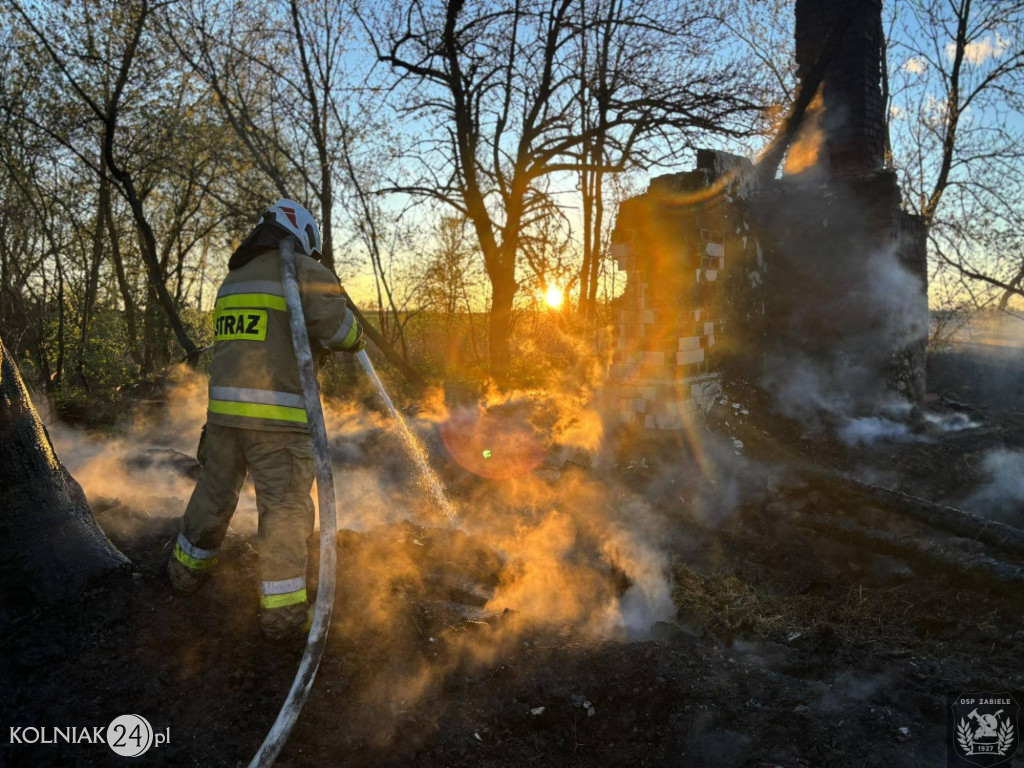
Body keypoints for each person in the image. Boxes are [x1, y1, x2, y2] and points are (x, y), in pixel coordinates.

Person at [168, 199, 364, 639]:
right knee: (284, 512)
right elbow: (340, 331)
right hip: (277, 423)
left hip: (223, 419)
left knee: (213, 495)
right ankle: (282, 614)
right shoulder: (302, 270)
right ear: (302, 233)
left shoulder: (234, 278)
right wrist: (353, 330)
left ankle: (184, 574)